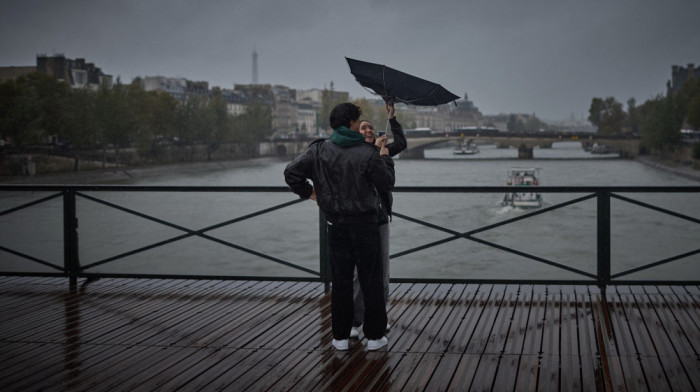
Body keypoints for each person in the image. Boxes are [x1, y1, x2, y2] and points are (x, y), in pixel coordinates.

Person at [284, 102, 394, 351]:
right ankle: (375, 337)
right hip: (365, 226)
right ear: (352, 123)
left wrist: (311, 193)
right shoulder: (368, 153)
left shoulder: (319, 150)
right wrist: (384, 158)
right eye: (358, 120)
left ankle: (340, 337)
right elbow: (386, 183)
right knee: (371, 281)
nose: (359, 123)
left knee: (341, 282)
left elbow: (291, 173)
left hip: (335, 225)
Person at [350, 102, 407, 338]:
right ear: (356, 132)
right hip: (359, 217)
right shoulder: (353, 153)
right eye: (363, 128)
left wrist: (392, 119)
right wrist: (383, 156)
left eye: (371, 127)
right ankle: (356, 320)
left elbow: (402, 144)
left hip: (380, 217)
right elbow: (384, 180)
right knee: (357, 273)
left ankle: (379, 316)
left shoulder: (380, 149)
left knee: (382, 271)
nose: (368, 130)